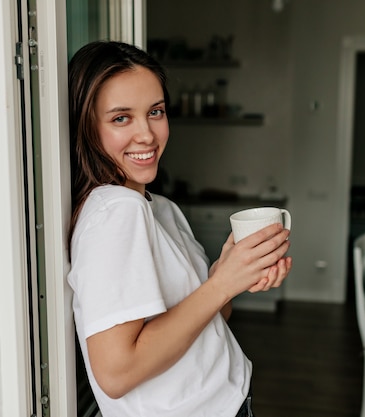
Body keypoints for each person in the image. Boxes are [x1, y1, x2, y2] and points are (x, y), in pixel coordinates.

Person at [66, 40, 292, 417]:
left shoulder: (160, 208)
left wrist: (228, 275)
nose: (147, 135)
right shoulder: (116, 212)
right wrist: (220, 285)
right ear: (87, 126)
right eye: (121, 118)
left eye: (155, 111)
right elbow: (116, 373)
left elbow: (211, 320)